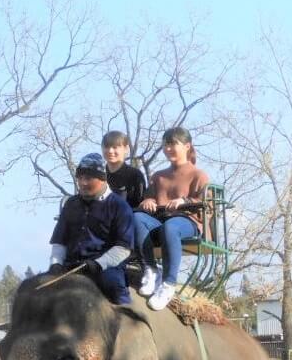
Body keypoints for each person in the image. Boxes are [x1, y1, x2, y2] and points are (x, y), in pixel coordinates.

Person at [131, 126, 209, 310]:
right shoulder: (158, 176)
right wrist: (148, 200)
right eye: (166, 145)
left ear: (187, 146)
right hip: (161, 219)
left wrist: (184, 201)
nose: (168, 149)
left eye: (173, 144)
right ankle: (150, 270)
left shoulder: (199, 175)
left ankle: (168, 284)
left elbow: (206, 205)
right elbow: (148, 198)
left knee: (171, 227)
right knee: (136, 218)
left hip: (187, 220)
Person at [49, 153, 135, 304]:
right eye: (80, 178)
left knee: (114, 286)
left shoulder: (119, 206)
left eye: (88, 178)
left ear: (102, 179)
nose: (82, 183)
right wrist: (55, 264)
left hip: (105, 268)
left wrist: (98, 264)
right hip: (70, 266)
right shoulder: (70, 204)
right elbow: (59, 241)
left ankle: (128, 318)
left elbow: (124, 248)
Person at [100, 130, 147, 209]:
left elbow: (140, 205)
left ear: (126, 149)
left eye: (115, 147)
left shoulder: (135, 175)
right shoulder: (98, 175)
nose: (110, 151)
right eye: (107, 147)